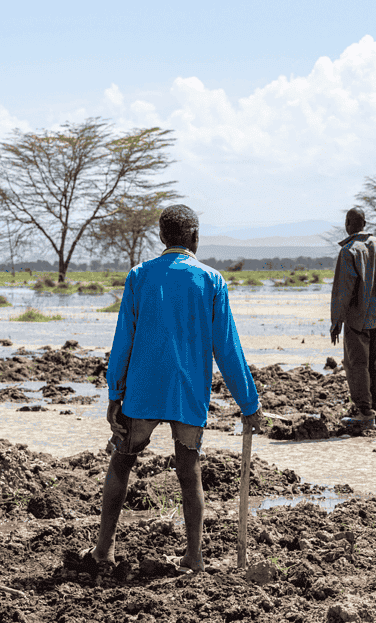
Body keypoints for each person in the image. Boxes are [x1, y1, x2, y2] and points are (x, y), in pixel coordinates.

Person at [84, 204, 265, 574]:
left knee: (122, 460)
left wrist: (114, 394)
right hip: (188, 393)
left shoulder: (140, 276)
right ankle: (194, 556)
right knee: (189, 469)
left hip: (142, 391)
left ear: (162, 238)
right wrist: (249, 404)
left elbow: (123, 341)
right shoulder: (212, 280)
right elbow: (227, 348)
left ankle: (103, 550)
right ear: (195, 239)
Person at [330, 207, 376, 432]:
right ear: (364, 224)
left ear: (348, 224)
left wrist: (336, 321)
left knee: (356, 365)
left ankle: (365, 413)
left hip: (357, 319)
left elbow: (343, 290)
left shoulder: (349, 251)